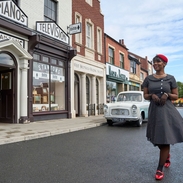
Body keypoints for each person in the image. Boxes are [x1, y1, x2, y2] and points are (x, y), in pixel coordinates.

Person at [142, 54, 183, 180]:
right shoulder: (148, 79)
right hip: (155, 111)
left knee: (164, 140)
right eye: (154, 62)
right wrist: (152, 96)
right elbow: (145, 95)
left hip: (167, 112)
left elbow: (176, 96)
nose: (155, 64)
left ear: (164, 63)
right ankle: (166, 155)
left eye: (158, 62)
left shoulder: (171, 78)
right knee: (158, 140)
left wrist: (167, 94)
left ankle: (159, 168)